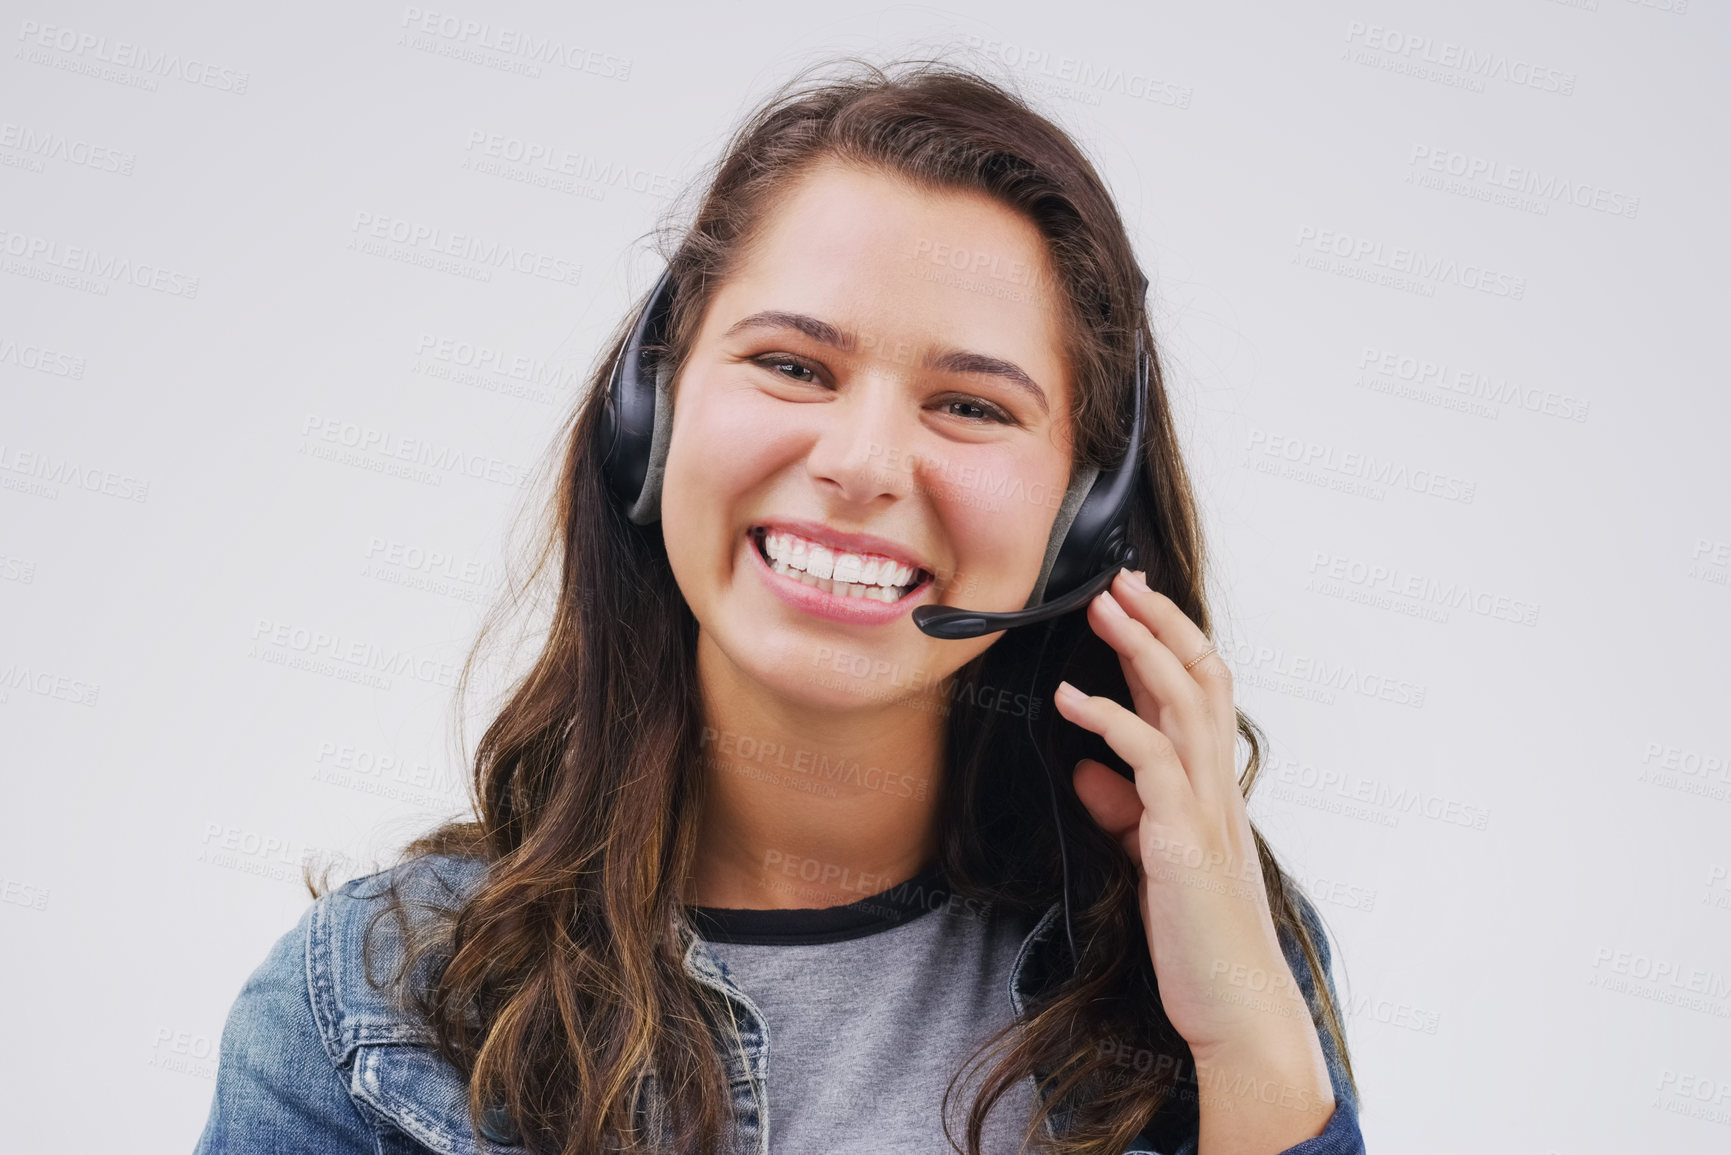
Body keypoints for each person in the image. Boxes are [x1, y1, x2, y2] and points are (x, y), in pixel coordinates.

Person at [194, 58, 1364, 1155]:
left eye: (970, 405)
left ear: (1086, 511)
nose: (861, 463)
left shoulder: (1202, 955)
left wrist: (1246, 1034)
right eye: (794, 366)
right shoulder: (366, 1009)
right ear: (651, 414)